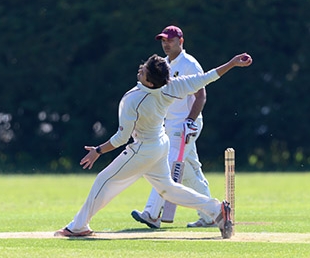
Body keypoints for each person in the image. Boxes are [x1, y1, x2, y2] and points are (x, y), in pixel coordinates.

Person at [54, 52, 252, 239]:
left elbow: (122, 139)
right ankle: (217, 209)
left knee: (103, 180)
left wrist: (98, 151)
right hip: (160, 145)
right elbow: (206, 77)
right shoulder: (171, 87)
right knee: (168, 190)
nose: (140, 69)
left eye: (145, 70)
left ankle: (78, 227)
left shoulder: (133, 100)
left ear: (149, 82)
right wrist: (232, 63)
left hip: (143, 149)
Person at [131, 25, 215, 229]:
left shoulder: (189, 64)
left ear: (181, 41)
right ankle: (211, 214)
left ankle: (152, 213)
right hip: (169, 124)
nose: (166, 44)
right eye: (163, 40)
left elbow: (201, 95)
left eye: (170, 40)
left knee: (165, 166)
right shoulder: (164, 65)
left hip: (186, 125)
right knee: (190, 172)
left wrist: (190, 121)